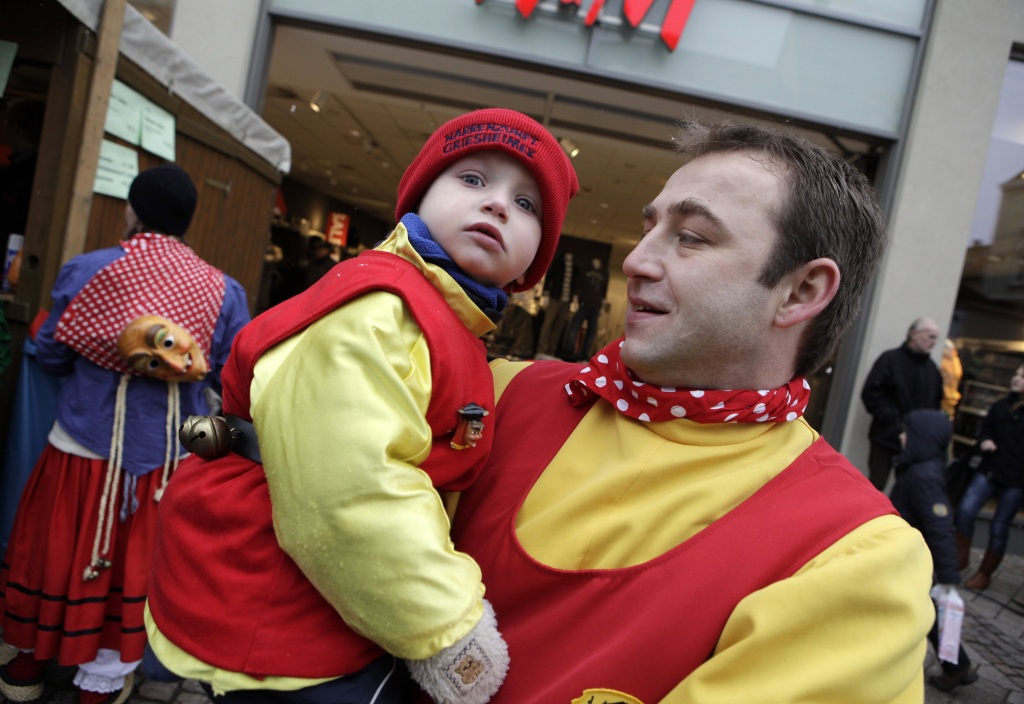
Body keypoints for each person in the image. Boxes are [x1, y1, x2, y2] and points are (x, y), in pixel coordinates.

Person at [447, 120, 934, 702]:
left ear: (801, 292)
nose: (636, 262)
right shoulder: (499, 392)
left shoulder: (854, 556)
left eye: (693, 237)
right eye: (649, 228)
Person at [145, 108, 578, 703]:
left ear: (535, 260)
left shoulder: (443, 318)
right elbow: (348, 491)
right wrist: (448, 632)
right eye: (472, 180)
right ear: (417, 199)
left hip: (323, 591)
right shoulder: (378, 310)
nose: (499, 204)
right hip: (282, 600)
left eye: (527, 204)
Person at [0, 164, 250, 704]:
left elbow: (52, 354)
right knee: (131, 569)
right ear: (186, 222)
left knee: (52, 551)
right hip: (161, 459)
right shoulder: (224, 291)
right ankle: (100, 687)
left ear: (132, 210)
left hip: (82, 442)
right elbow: (232, 377)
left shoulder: (89, 269)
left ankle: (25, 667)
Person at [889, 409, 977, 692]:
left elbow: (940, 527)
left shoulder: (923, 476)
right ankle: (957, 666)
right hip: (910, 555)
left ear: (920, 439)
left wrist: (949, 575)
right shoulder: (918, 468)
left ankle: (956, 666)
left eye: (907, 432)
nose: (901, 436)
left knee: (922, 611)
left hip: (915, 559)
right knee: (924, 610)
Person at [954, 364, 1024, 591]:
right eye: (1016, 373)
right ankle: (960, 557)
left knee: (1000, 526)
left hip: (1017, 479)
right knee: (965, 510)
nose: (1016, 378)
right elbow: (985, 429)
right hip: (990, 469)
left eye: (1022, 376)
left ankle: (984, 573)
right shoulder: (1001, 405)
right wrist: (985, 440)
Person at [861, 317, 944, 491]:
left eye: (936, 338)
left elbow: (935, 406)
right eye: (930, 336)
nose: (934, 342)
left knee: (907, 490)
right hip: (885, 438)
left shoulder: (931, 369)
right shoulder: (890, 360)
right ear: (913, 334)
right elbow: (871, 395)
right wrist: (898, 427)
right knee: (875, 486)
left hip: (915, 443)